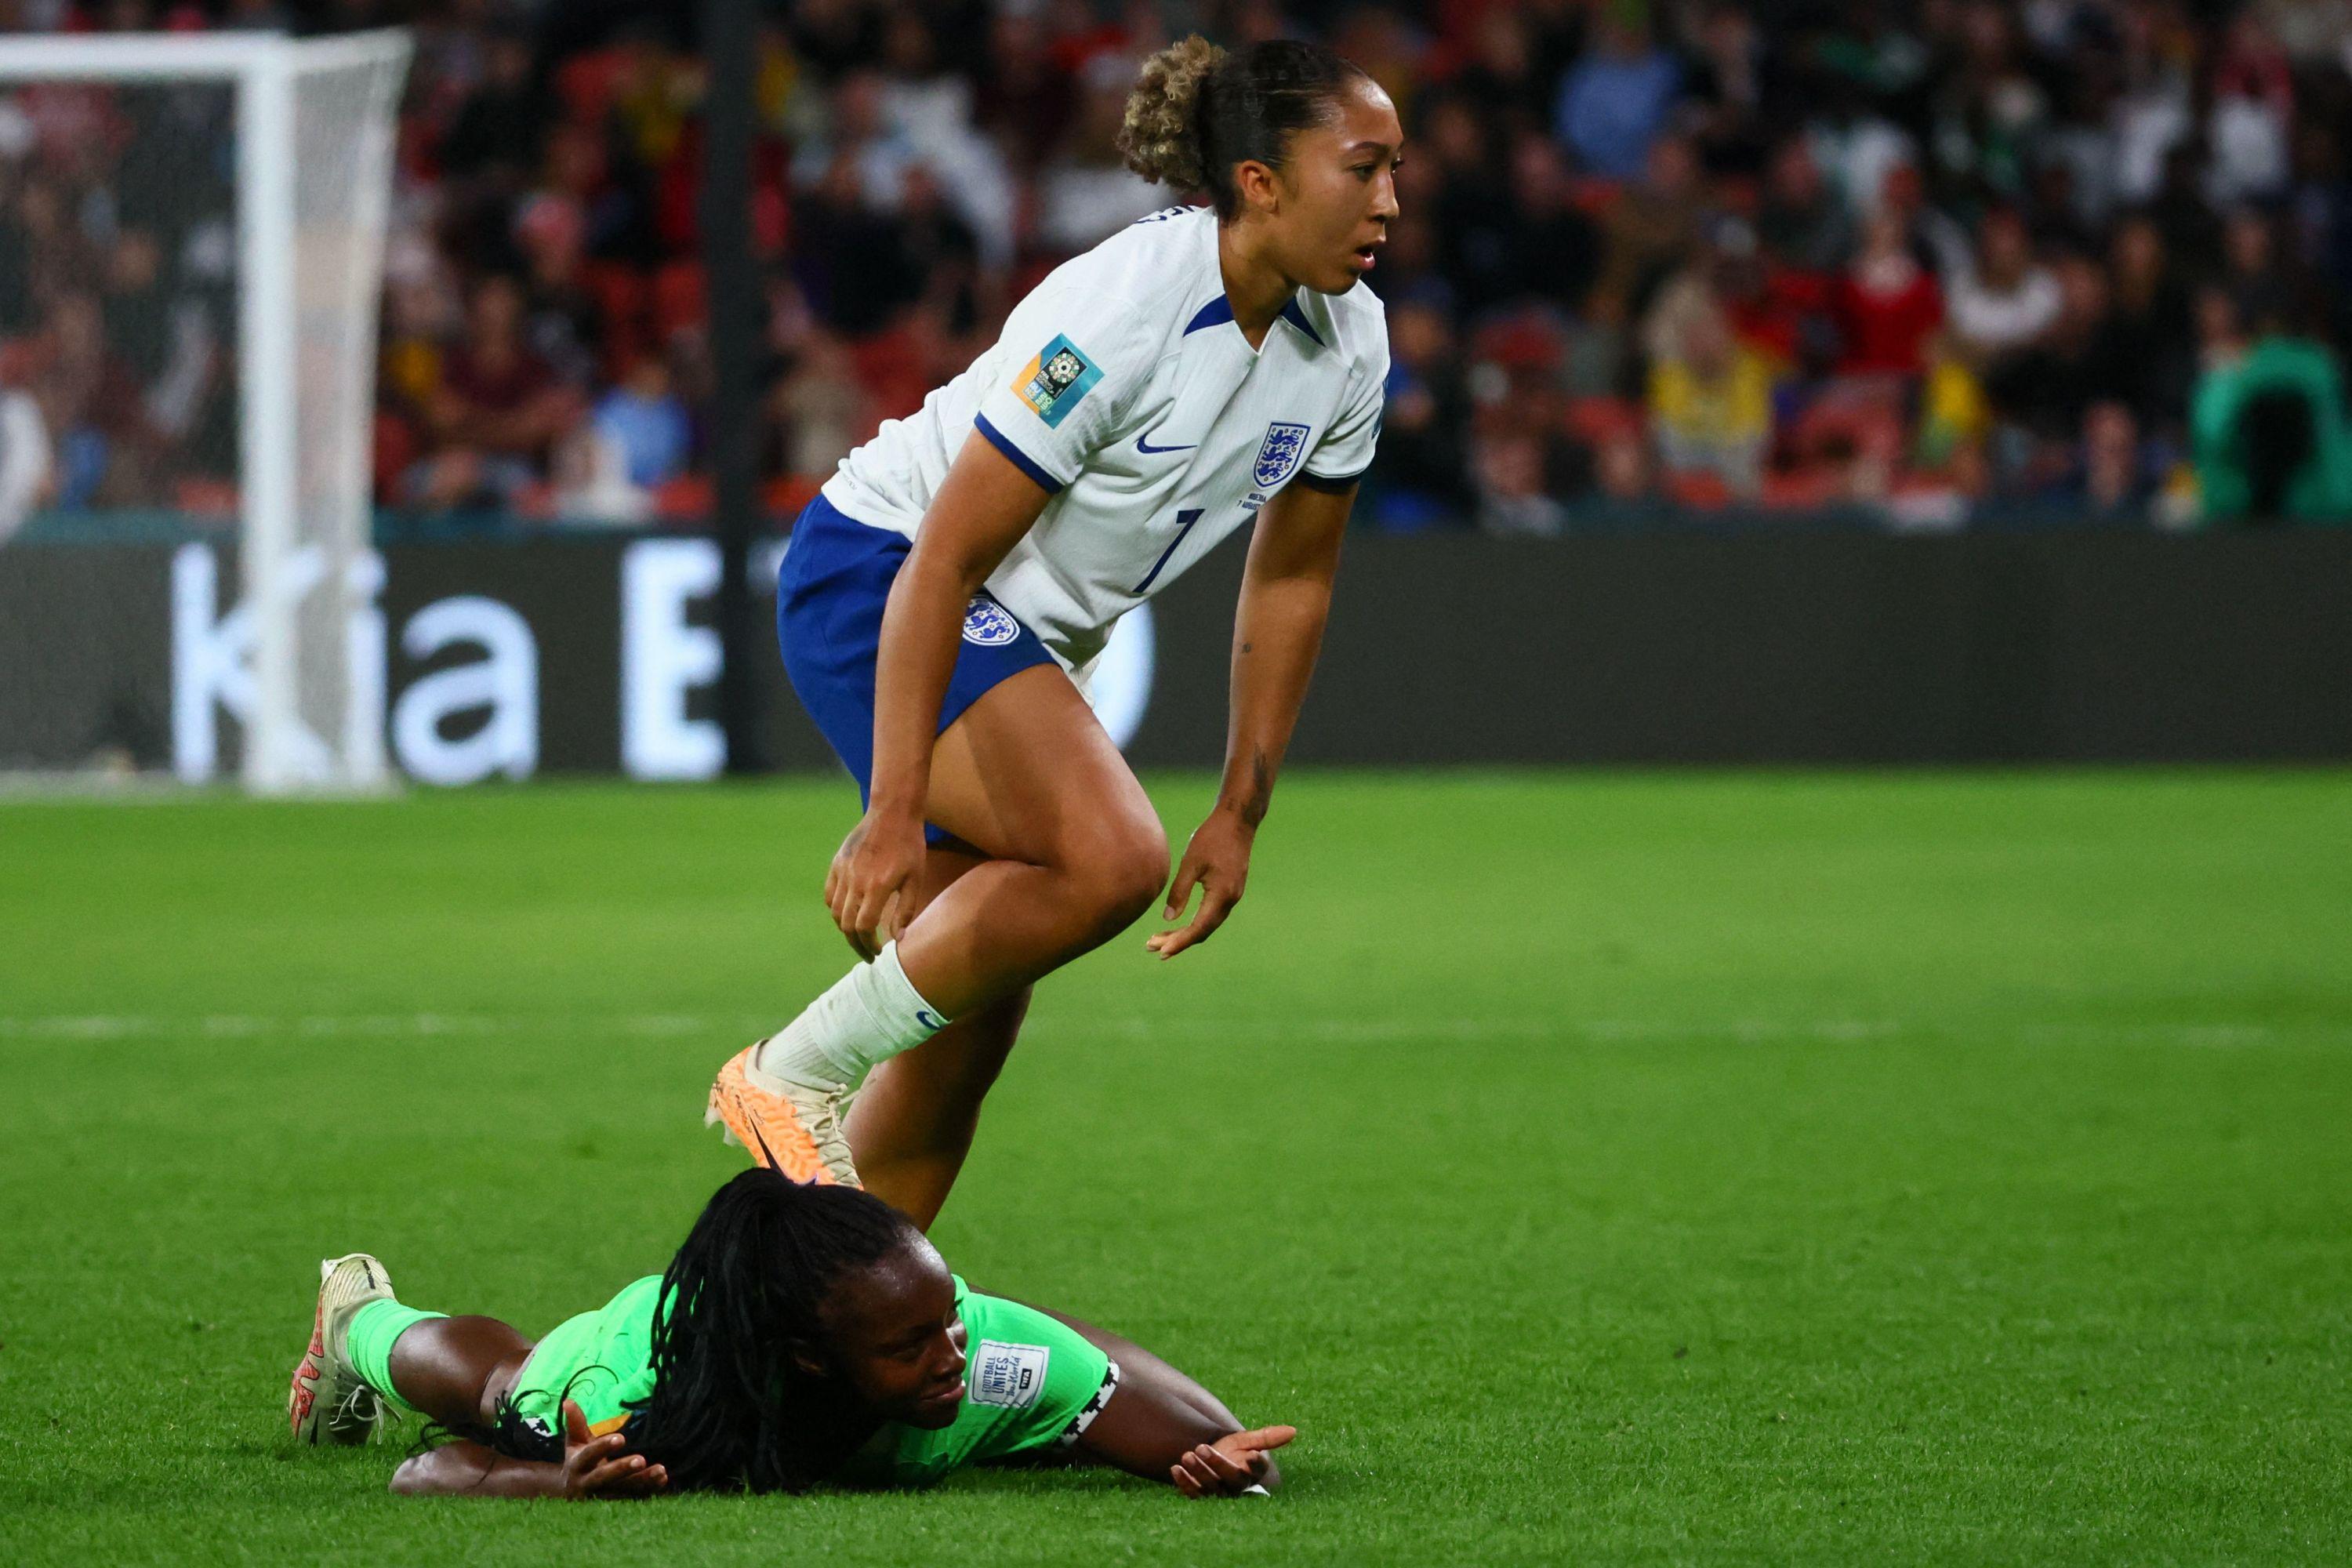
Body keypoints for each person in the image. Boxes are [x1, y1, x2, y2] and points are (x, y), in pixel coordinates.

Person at [705, 37, 1399, 1223]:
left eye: (1396, 171)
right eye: (1363, 167)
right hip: (881, 574)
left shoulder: (1351, 347)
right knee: (1111, 856)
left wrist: (1240, 808)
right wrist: (891, 808)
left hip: (1008, 630)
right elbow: (945, 555)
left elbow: (1289, 582)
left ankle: (830, 1343)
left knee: (962, 1036)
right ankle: (788, 1072)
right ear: (1259, 182)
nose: (1388, 200)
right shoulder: (1127, 307)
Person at [289, 1166, 1294, 1500]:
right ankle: (362, 1318)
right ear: (812, 1357)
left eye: (946, 1318)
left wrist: (1219, 1466)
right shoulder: (648, 1407)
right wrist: (553, 1477)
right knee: (504, 1384)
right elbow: (425, 1477)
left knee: (1025, 1367)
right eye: (910, 1343)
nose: (951, 1355)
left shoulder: (981, 1353)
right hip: (644, 1352)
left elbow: (1226, 1445)